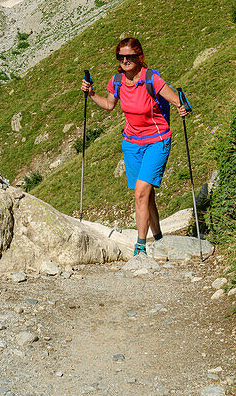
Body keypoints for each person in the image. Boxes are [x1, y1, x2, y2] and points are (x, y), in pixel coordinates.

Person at [81, 36, 189, 256]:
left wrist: (182, 106)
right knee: (146, 195)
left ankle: (140, 247)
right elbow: (110, 105)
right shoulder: (118, 80)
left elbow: (177, 100)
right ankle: (158, 238)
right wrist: (90, 93)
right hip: (131, 144)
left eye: (130, 56)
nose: (125, 60)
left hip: (157, 141)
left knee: (140, 193)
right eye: (121, 57)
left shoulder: (152, 79)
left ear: (139, 57)